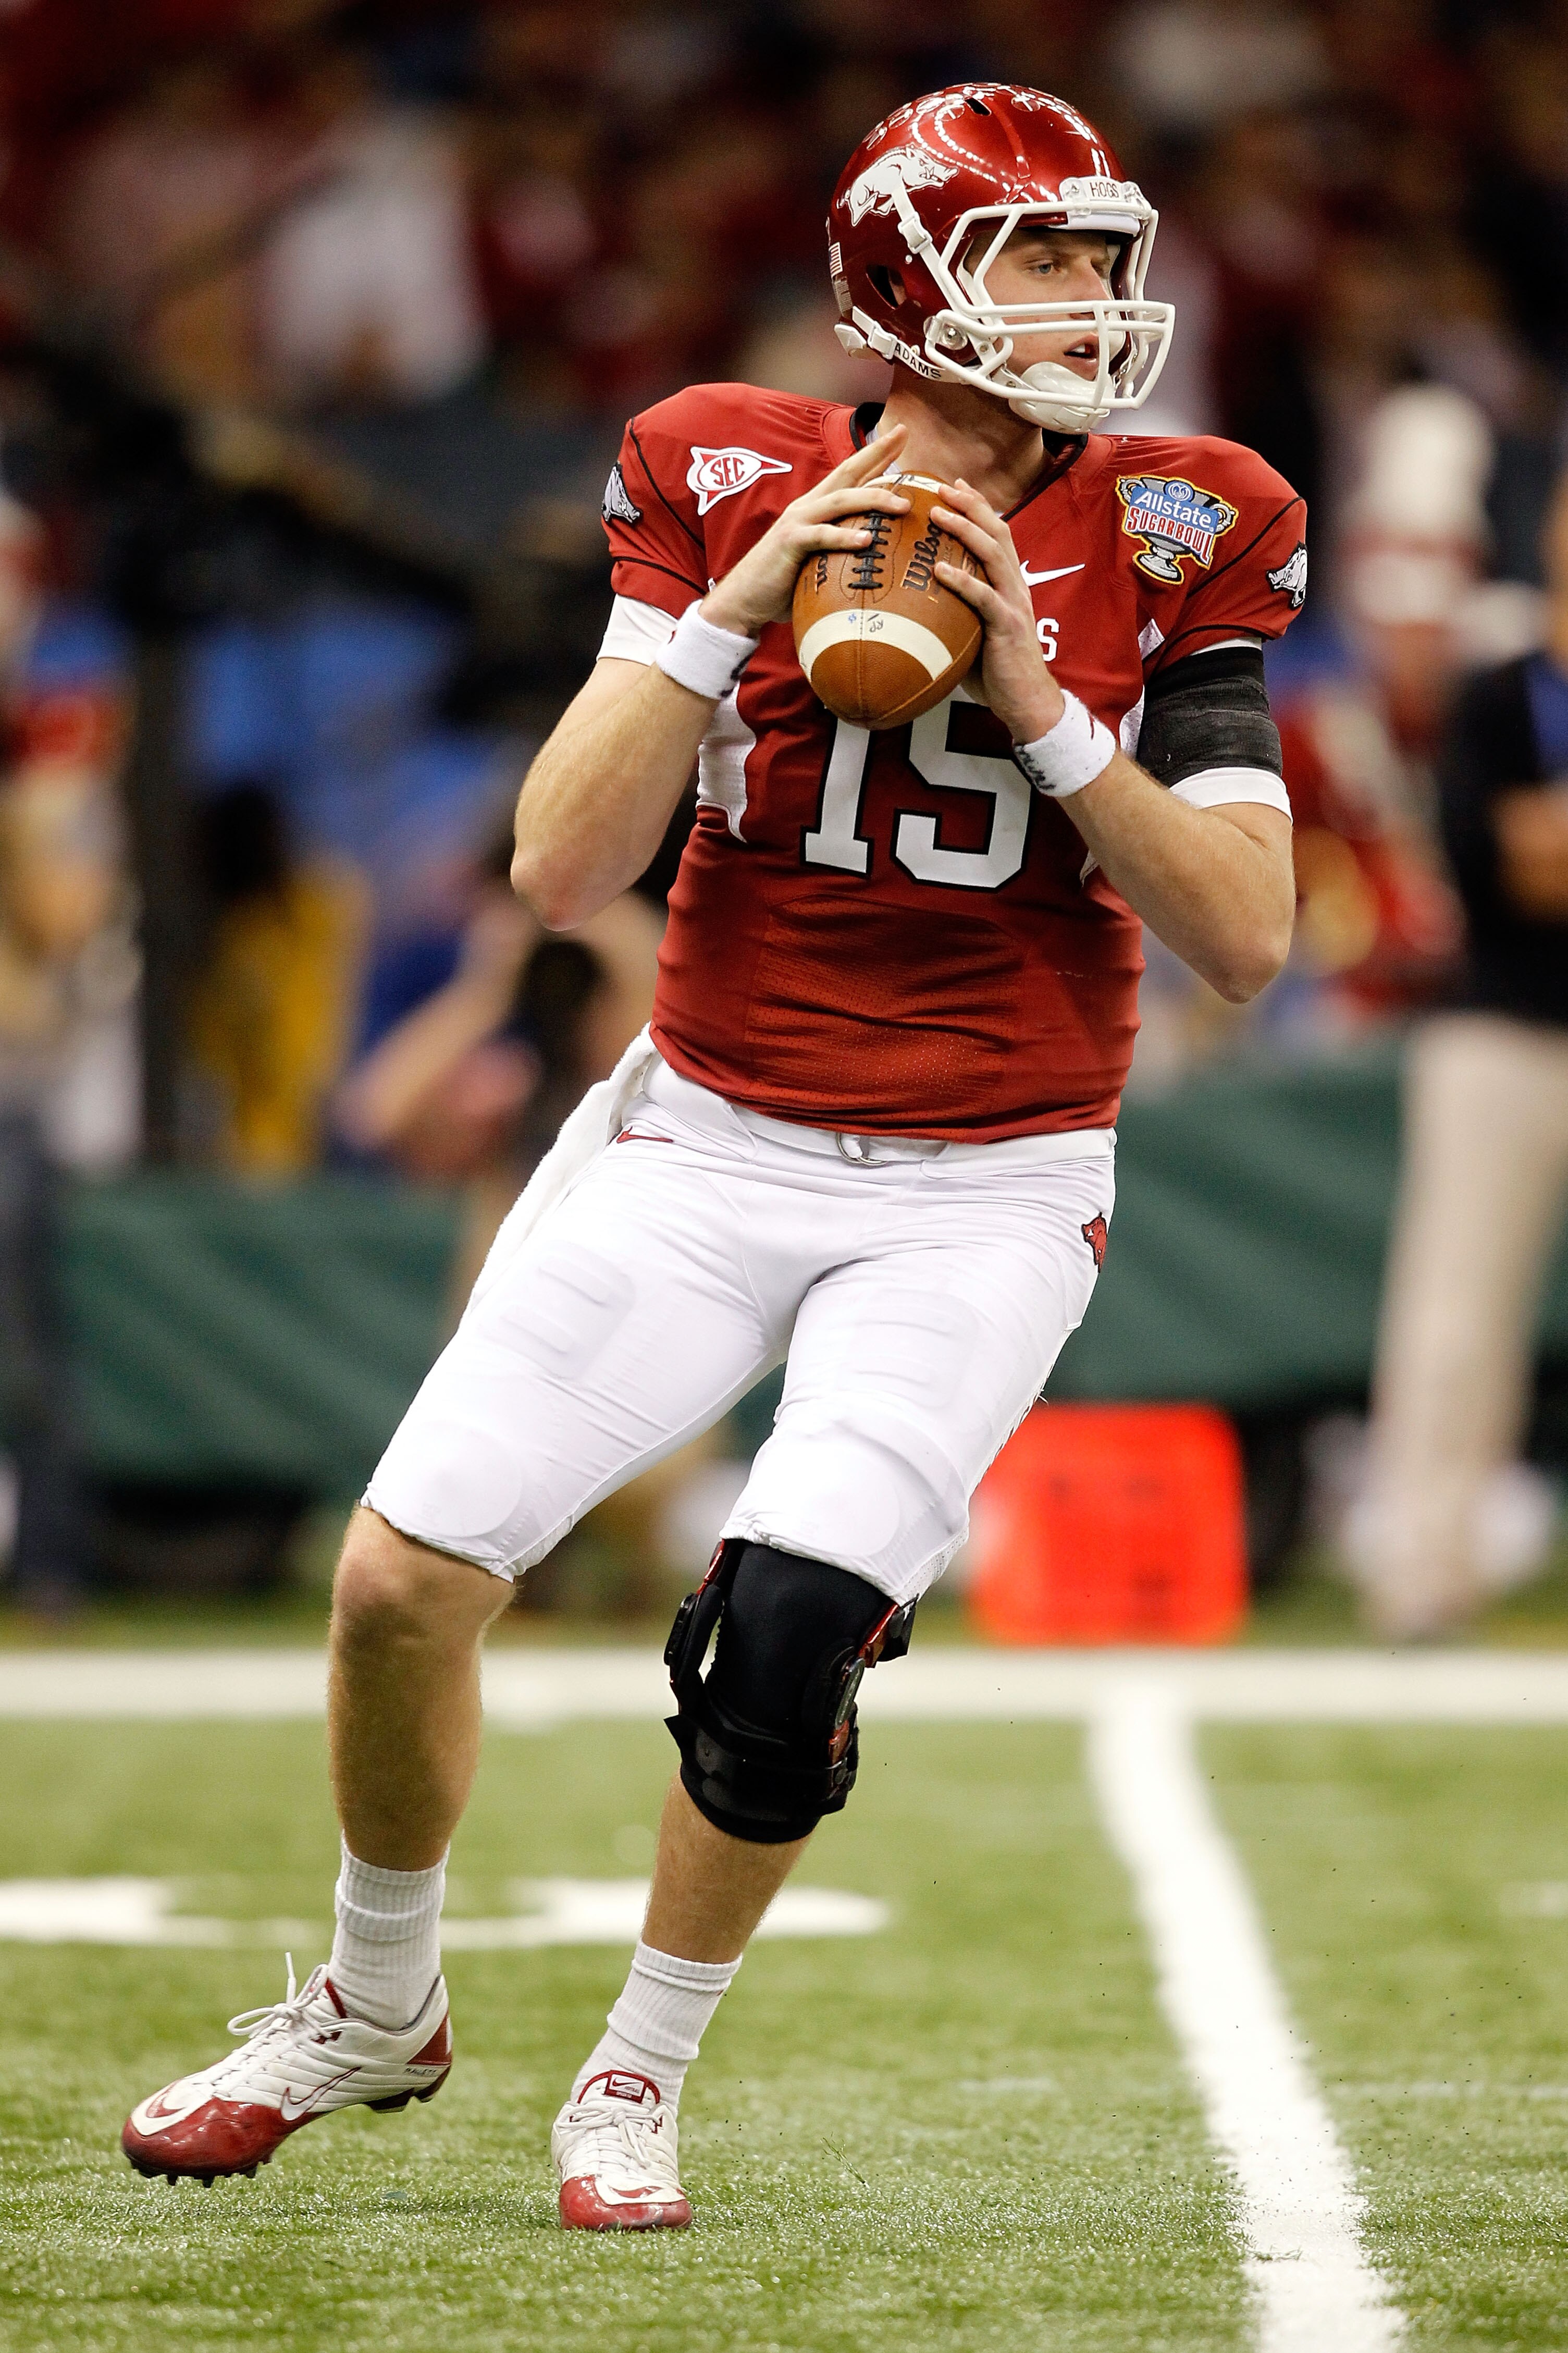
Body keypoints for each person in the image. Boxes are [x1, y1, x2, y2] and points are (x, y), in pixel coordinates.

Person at [122, 84, 1302, 2222]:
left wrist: (1045, 704)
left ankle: (635, 2074)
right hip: (702, 1134)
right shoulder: (718, 463)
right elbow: (561, 865)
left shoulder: (1181, 518)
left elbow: (1240, 935)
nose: (1089, 296)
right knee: (398, 1584)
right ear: (907, 281)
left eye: (1096, 254)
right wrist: (725, 608)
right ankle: (376, 2001)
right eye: (1038, 253)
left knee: (780, 1640)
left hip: (987, 1182)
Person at [1354, 467, 1568, 1640]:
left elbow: (1541, 855)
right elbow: (1496, 865)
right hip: (1497, 1038)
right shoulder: (1496, 693)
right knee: (1453, 1314)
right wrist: (1533, 851)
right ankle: (1421, 1572)